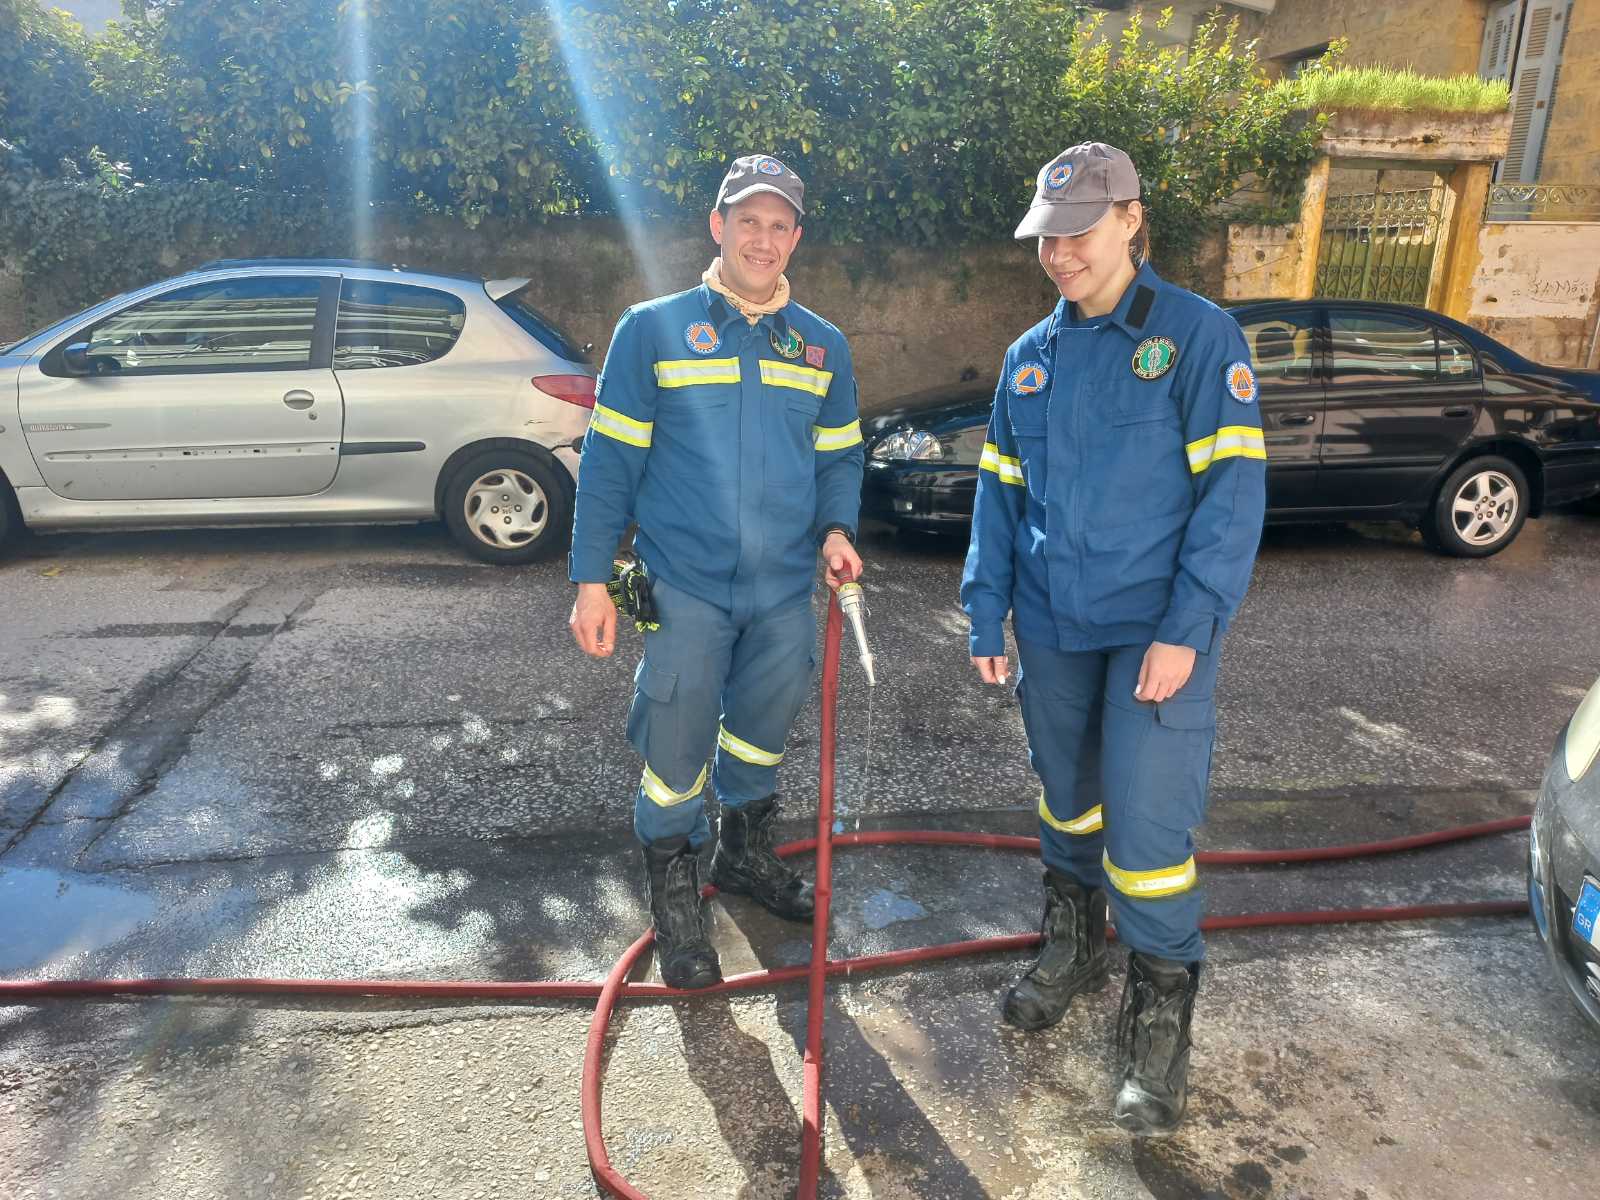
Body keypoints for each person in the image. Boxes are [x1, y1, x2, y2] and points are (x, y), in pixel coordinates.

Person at [961, 142, 1267, 1134]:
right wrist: (986, 609)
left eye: (1078, 234)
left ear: (1131, 220)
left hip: (1153, 634)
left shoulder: (1198, 338)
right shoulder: (1029, 358)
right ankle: (1075, 943)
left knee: (1145, 832)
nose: (1058, 255)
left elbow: (1231, 500)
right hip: (1053, 626)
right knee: (1068, 801)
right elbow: (1000, 500)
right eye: (1046, 238)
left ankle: (1158, 1015)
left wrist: (1188, 630)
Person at [568, 154, 865, 991]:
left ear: (795, 238)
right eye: (748, 222)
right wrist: (591, 580)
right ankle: (676, 893)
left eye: (779, 226)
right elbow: (610, 463)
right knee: (677, 744)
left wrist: (837, 530)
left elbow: (840, 458)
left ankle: (743, 856)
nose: (762, 240)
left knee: (761, 734)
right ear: (718, 225)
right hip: (685, 586)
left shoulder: (822, 346)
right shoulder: (652, 330)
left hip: (782, 593)